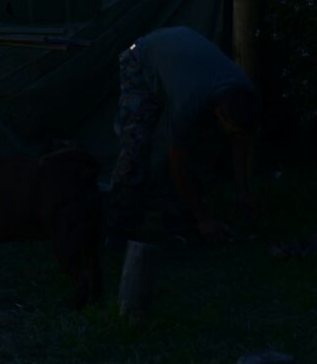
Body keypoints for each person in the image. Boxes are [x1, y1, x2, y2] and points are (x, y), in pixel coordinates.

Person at [107, 26, 260, 245]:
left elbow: (240, 141)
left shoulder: (245, 95)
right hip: (141, 59)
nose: (233, 136)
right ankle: (118, 225)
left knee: (204, 151)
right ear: (218, 113)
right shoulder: (191, 103)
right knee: (136, 147)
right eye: (231, 131)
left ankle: (179, 220)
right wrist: (204, 218)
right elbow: (177, 162)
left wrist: (243, 192)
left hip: (180, 57)